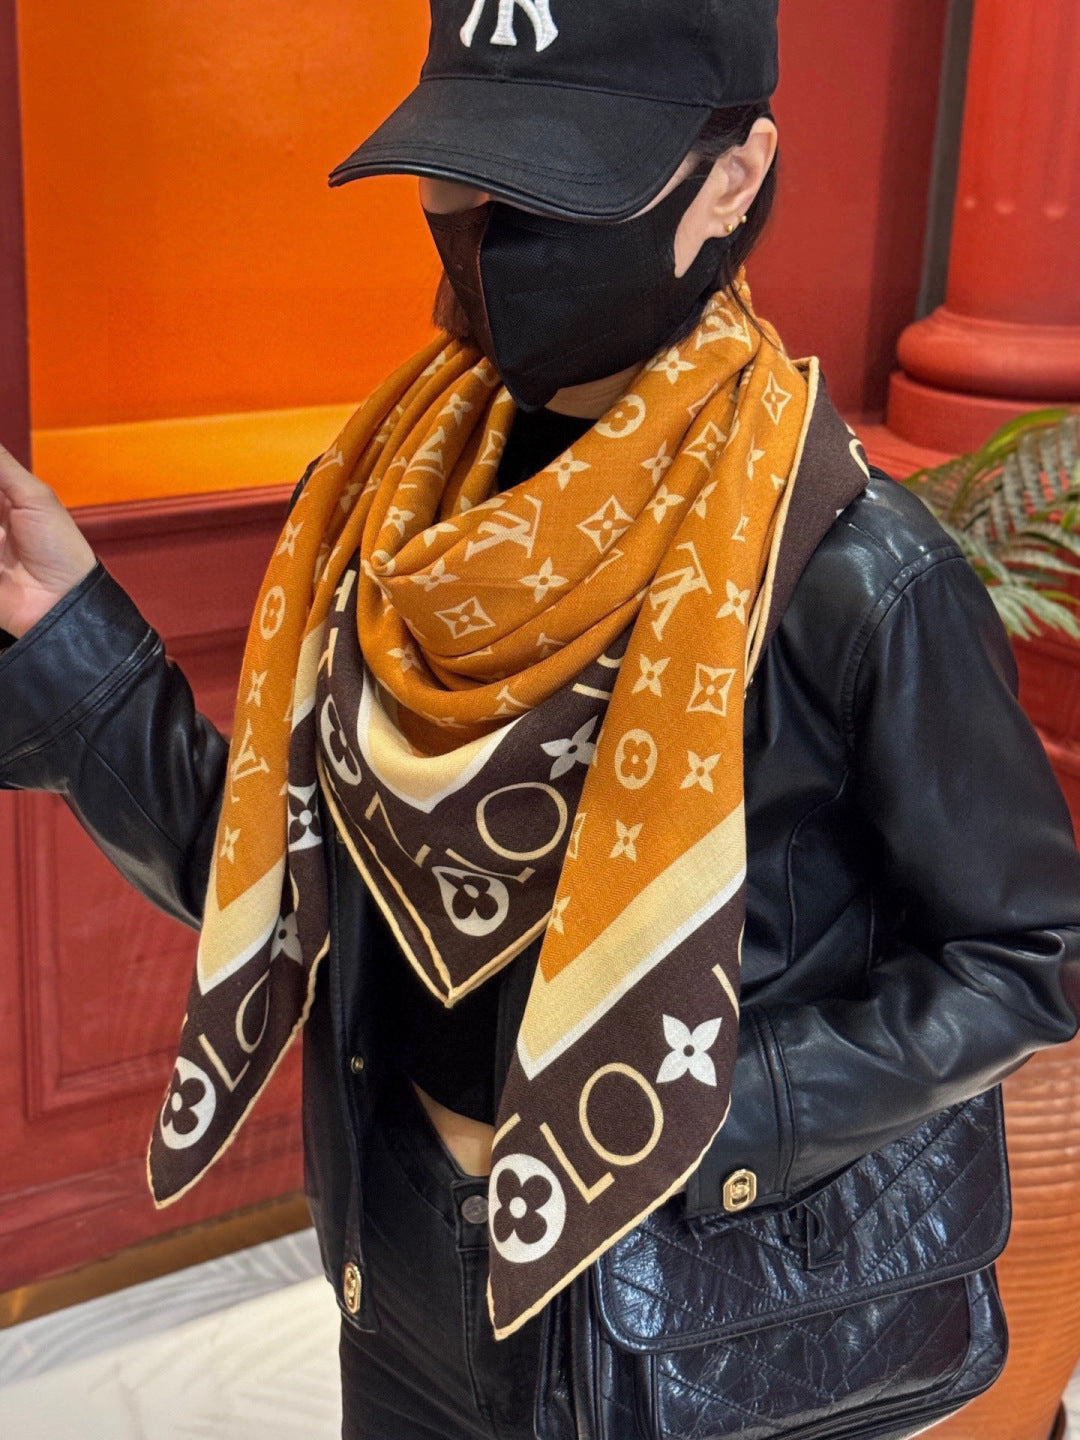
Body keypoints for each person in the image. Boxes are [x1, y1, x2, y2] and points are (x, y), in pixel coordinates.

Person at [2, 2, 1080, 1437]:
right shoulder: (392, 518)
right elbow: (290, 875)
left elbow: (1029, 952)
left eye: (556, 180)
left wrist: (688, 1111)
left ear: (733, 178)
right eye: (460, 174)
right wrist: (72, 640)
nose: (485, 231)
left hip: (677, 1317)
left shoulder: (850, 574)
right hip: (398, 1264)